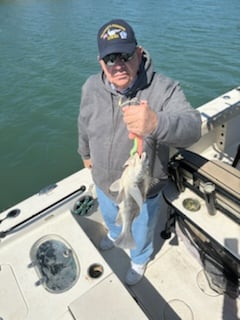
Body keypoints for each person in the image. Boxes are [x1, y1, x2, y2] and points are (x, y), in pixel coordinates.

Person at [78, 19, 202, 285]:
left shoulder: (165, 88)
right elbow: (83, 124)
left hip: (143, 189)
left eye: (125, 55)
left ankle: (140, 256)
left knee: (141, 225)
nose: (119, 64)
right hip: (103, 180)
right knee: (111, 215)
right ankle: (114, 234)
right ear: (101, 62)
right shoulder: (91, 87)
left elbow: (193, 128)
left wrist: (157, 123)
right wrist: (85, 153)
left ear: (139, 53)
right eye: (111, 58)